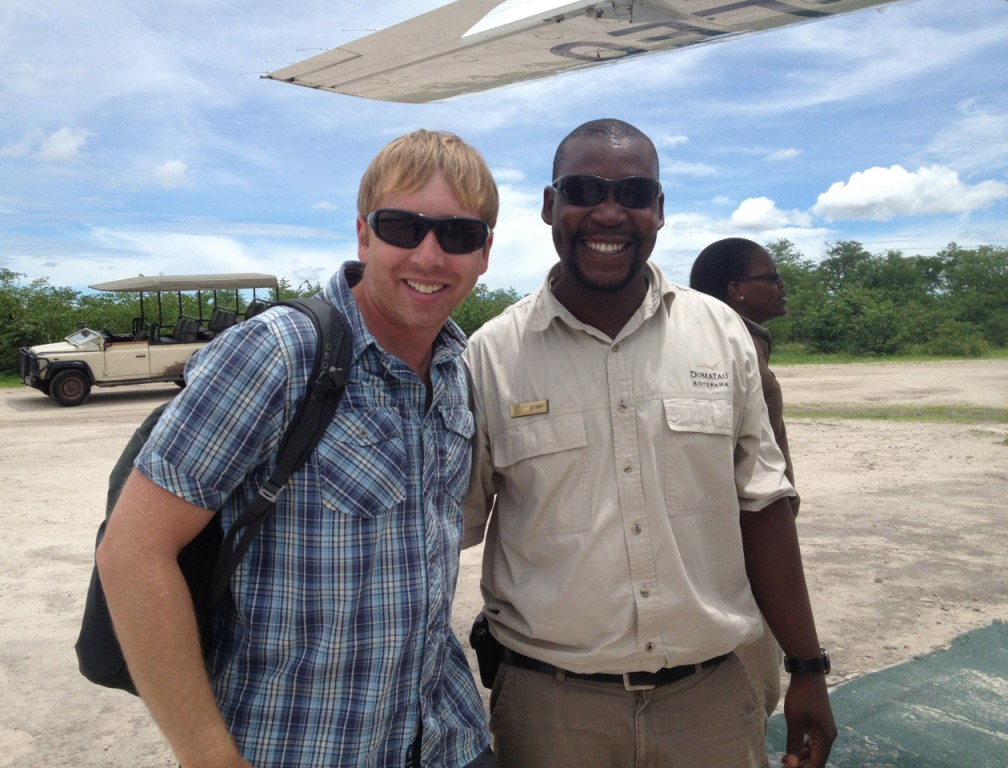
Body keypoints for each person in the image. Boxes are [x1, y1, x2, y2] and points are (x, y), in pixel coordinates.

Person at [97, 129, 500, 768]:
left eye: (457, 235)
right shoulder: (279, 353)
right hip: (300, 744)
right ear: (364, 235)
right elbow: (134, 551)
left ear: (484, 253)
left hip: (444, 736)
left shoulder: (455, 368)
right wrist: (207, 755)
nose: (429, 256)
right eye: (403, 227)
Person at [463, 119, 836, 768]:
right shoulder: (490, 357)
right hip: (550, 714)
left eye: (634, 193)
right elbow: (443, 530)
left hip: (710, 705)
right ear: (551, 205)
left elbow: (765, 509)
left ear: (658, 211)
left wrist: (806, 665)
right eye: (584, 189)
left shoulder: (720, 334)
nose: (609, 211)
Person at [690, 237, 801, 760]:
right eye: (770, 276)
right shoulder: (734, 350)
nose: (781, 285)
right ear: (736, 291)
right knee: (751, 690)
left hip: (744, 543)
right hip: (743, 551)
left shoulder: (738, 343)